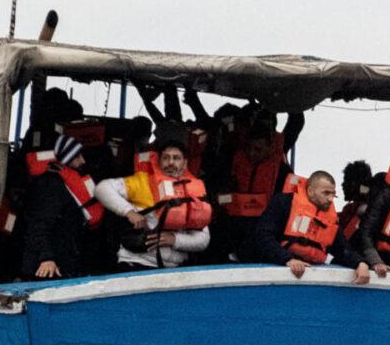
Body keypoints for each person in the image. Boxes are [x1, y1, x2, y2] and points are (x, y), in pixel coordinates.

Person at [95, 133, 214, 269]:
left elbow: (204, 239)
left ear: (185, 162)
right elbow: (102, 188)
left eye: (176, 158)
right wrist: (129, 212)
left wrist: (175, 239)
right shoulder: (142, 182)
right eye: (165, 158)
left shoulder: (193, 193)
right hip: (137, 262)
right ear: (159, 160)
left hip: (173, 268)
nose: (170, 162)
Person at [16, 132, 106, 280]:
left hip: (66, 259)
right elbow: (39, 224)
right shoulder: (49, 185)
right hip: (47, 266)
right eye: (77, 156)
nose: (82, 161)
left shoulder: (70, 182)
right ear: (66, 159)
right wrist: (46, 258)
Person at [205, 101, 305, 226]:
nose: (252, 153)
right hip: (232, 222)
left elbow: (296, 123)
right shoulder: (233, 157)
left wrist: (291, 98)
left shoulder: (281, 170)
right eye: (249, 148)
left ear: (269, 146)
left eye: (257, 149)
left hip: (263, 224)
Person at [276, 169, 348, 277]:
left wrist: (360, 263)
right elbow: (263, 236)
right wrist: (287, 259)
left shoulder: (330, 218)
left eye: (333, 194)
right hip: (280, 268)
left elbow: (343, 248)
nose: (330, 199)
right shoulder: (284, 203)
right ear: (310, 191)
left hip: (314, 271)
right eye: (326, 193)